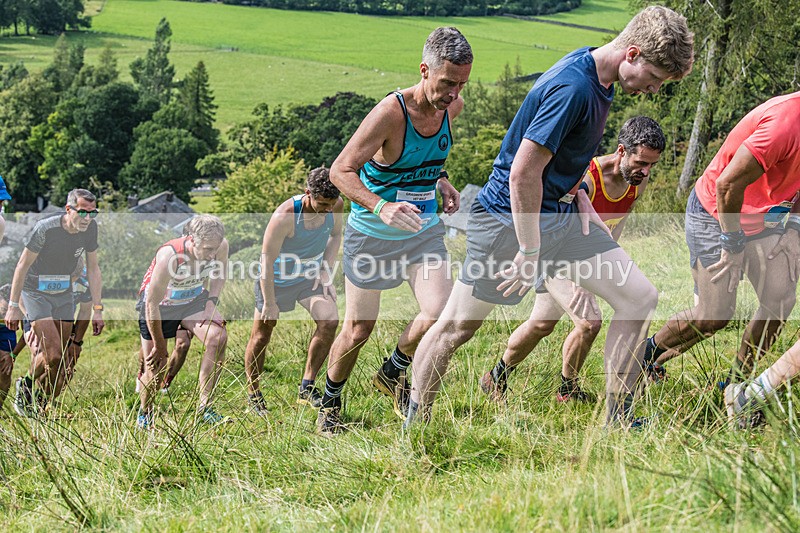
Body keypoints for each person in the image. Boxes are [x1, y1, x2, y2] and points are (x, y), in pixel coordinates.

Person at [407, 6, 693, 428]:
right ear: (632, 53)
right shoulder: (574, 87)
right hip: (509, 219)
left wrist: (576, 188)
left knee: (638, 297)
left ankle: (619, 417)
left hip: (559, 214)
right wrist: (529, 248)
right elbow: (523, 171)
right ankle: (416, 422)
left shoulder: (602, 78)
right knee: (457, 326)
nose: (652, 90)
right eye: (654, 80)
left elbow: (563, 152)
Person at [317, 26, 472, 435]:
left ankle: (393, 371)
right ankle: (329, 401)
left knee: (439, 313)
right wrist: (381, 205)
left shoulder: (451, 108)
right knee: (358, 328)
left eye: (461, 85)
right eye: (446, 83)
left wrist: (441, 180)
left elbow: (426, 158)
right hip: (371, 233)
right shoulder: (392, 113)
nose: (454, 94)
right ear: (424, 70)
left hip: (422, 231)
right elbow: (340, 171)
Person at [480, 116, 665, 403]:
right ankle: (567, 389)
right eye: (641, 163)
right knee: (589, 322)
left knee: (542, 323)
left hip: (586, 256)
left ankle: (496, 377)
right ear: (620, 151)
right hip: (556, 251)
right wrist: (583, 283)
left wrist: (605, 261)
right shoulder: (588, 178)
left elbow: (615, 227)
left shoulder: (635, 181)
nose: (646, 171)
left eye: (652, 164)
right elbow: (565, 232)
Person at [643, 91, 800, 390]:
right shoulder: (785, 124)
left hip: (764, 216)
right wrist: (733, 245)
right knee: (714, 316)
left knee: (779, 299)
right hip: (716, 212)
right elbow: (726, 184)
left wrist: (794, 227)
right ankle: (645, 356)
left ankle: (737, 386)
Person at [244, 167, 343, 415]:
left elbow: (335, 235)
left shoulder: (337, 204)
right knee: (261, 337)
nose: (328, 209)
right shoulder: (285, 216)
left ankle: (307, 387)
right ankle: (253, 393)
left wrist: (325, 270)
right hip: (275, 282)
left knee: (329, 320)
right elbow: (266, 262)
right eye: (322, 204)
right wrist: (269, 302)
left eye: (331, 204)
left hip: (307, 279)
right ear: (307, 193)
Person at [4, 188, 105, 417]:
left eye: (93, 213)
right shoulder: (46, 228)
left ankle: (36, 399)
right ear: (69, 209)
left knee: (58, 362)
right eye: (82, 212)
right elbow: (22, 265)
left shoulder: (90, 229)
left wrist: (98, 309)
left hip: (63, 292)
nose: (87, 218)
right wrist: (13, 305)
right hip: (35, 291)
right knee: (55, 354)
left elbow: (94, 268)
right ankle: (27, 385)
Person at [136, 214, 230, 430]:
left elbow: (219, 275)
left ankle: (205, 408)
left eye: (214, 248)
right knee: (156, 366)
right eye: (207, 249)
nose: (212, 254)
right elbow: (151, 304)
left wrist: (211, 303)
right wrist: (160, 347)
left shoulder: (220, 246)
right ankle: (145, 412)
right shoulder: (170, 256)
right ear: (191, 239)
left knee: (217, 338)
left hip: (193, 299)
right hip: (161, 306)